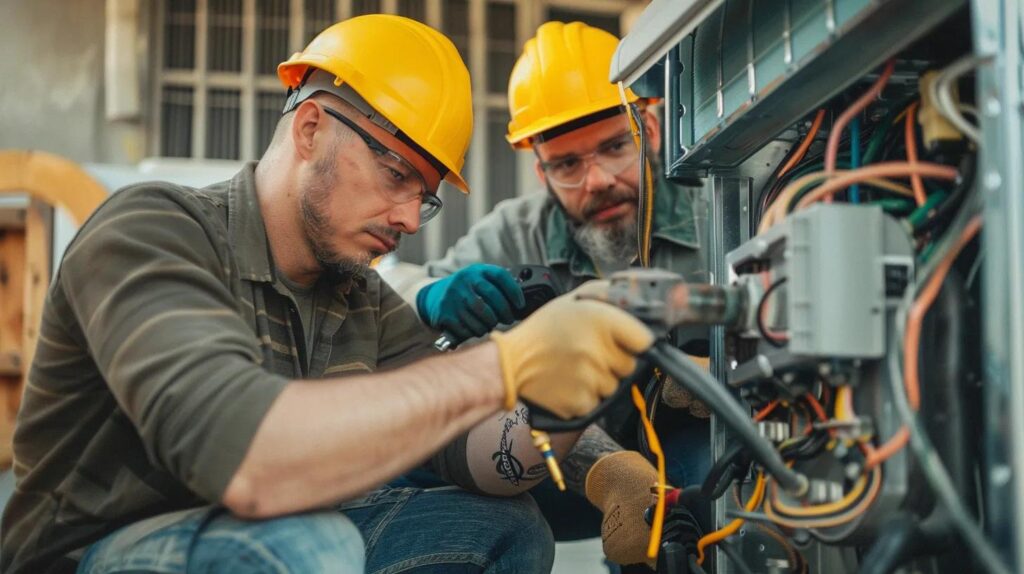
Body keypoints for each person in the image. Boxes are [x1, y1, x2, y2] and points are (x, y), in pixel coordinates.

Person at [0, 15, 656, 574]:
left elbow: (481, 461)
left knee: (501, 525)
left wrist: (561, 398)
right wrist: (499, 367)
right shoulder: (153, 231)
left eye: (422, 197)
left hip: (270, 537)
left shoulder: (359, 297)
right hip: (91, 553)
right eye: (396, 174)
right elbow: (249, 461)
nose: (406, 217)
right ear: (311, 128)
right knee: (313, 543)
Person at [387, 21, 713, 569]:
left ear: (649, 130)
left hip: (686, 451)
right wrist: (428, 294)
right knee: (424, 454)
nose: (597, 181)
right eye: (567, 164)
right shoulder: (514, 233)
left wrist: (720, 367)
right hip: (561, 467)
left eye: (613, 147)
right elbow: (382, 300)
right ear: (540, 170)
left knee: (705, 486)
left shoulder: (719, 212)